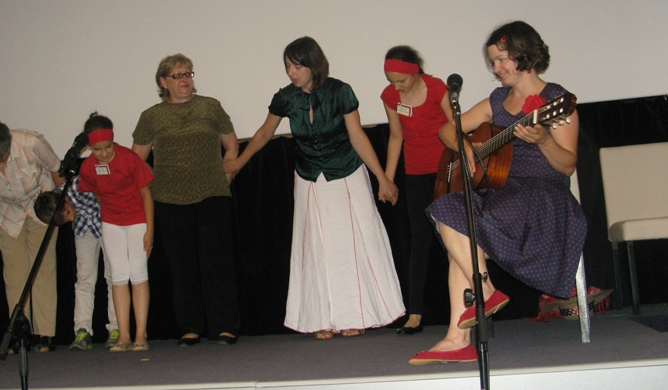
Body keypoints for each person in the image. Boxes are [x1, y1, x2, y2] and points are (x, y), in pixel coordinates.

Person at [408, 21, 586, 365]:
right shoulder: (497, 101)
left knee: (462, 237)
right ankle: (482, 292)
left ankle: (457, 339)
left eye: (502, 59)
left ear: (526, 55)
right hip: (502, 193)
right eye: (492, 61)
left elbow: (567, 166)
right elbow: (447, 129)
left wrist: (544, 140)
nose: (496, 68)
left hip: (543, 197)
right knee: (448, 209)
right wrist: (465, 147)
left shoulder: (556, 101)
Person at [224, 36, 406, 340]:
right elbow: (264, 133)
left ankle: (355, 315)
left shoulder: (340, 91)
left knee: (351, 245)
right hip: (309, 178)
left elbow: (357, 136)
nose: (291, 72)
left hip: (347, 174)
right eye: (287, 66)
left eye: (297, 66)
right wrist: (239, 163)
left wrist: (382, 178)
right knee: (315, 249)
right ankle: (321, 317)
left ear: (313, 64)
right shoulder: (285, 97)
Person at [132, 53, 241, 346]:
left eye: (188, 74)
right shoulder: (151, 116)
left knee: (218, 264)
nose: (184, 80)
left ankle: (225, 326)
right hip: (169, 199)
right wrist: (155, 181)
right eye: (177, 75)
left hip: (212, 194)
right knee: (182, 267)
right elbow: (136, 160)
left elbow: (232, 146)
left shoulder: (210, 106)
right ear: (163, 82)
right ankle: (190, 328)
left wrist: (225, 176)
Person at [0, 120, 63, 353]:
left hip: (39, 207)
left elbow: (56, 171)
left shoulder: (31, 143)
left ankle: (45, 334)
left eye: (1, 158)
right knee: (14, 275)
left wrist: (61, 206)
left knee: (42, 269)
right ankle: (20, 333)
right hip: (6, 214)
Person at [381, 46, 452, 335]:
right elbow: (396, 137)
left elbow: (455, 127)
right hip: (415, 173)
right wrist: (387, 179)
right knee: (419, 242)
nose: (396, 86)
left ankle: (470, 306)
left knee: (453, 241)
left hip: (447, 170)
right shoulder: (390, 96)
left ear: (415, 71)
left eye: (401, 81)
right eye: (391, 80)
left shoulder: (436, 88)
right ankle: (414, 313)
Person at [78, 113, 153, 352]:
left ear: (113, 140)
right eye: (97, 149)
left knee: (138, 274)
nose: (104, 153)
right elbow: (95, 192)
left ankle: (140, 333)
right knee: (118, 277)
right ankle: (124, 335)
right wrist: (110, 211)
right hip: (111, 222)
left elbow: (146, 195)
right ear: (89, 147)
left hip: (137, 220)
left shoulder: (129, 158)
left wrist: (149, 230)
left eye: (108, 146)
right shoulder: (88, 167)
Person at [33, 176, 119, 350]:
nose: (70, 219)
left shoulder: (80, 184)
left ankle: (116, 328)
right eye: (65, 220)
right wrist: (72, 219)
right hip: (84, 230)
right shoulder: (54, 204)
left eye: (67, 213)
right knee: (84, 280)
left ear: (64, 200)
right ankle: (82, 330)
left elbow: (107, 194)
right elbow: (73, 219)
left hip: (107, 223)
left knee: (114, 277)